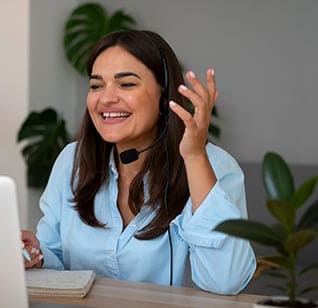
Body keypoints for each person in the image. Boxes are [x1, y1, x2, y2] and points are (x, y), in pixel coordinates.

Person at [22, 30, 256, 295]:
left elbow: (226, 282)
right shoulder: (72, 161)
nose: (106, 98)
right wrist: (36, 254)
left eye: (127, 84)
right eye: (96, 85)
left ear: (164, 95)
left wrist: (194, 157)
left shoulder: (214, 166)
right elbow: (56, 255)